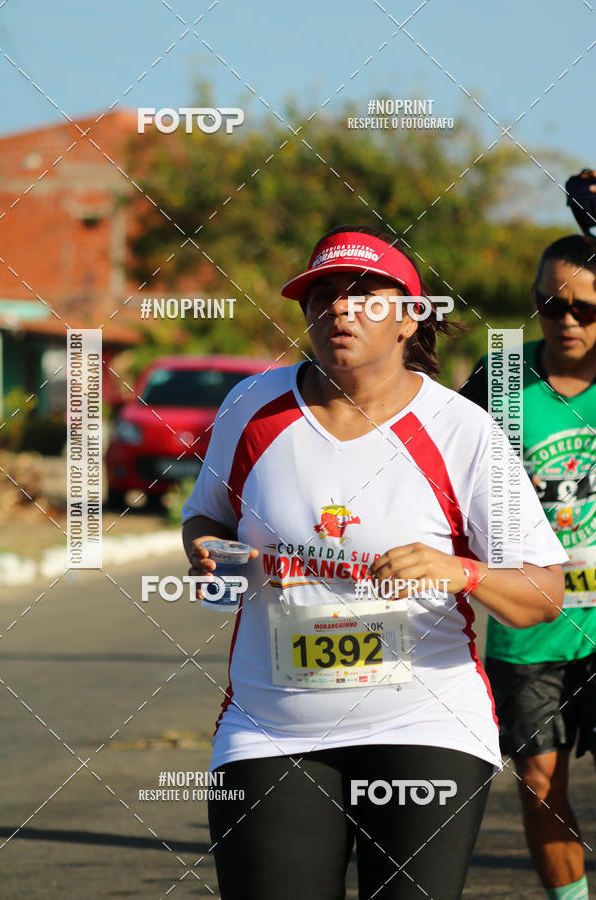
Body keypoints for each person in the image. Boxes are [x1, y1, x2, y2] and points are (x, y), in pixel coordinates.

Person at [182, 225, 567, 900]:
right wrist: (213, 555)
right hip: (273, 726)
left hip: (423, 718)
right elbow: (205, 516)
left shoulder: (462, 430)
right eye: (322, 295)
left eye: (364, 294)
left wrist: (463, 573)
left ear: (411, 315)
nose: (339, 308)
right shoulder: (253, 407)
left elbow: (543, 593)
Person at [460, 233, 596, 900]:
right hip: (530, 622)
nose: (565, 320)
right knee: (541, 785)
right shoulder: (507, 375)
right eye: (549, 304)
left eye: (585, 309)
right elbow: (444, 459)